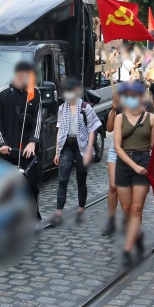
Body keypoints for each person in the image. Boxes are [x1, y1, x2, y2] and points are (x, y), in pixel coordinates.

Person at [105, 81, 154, 265]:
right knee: (126, 209)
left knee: (136, 208)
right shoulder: (120, 118)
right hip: (125, 164)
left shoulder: (151, 118)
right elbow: (117, 147)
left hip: (143, 162)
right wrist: (133, 166)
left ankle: (129, 246)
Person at [0, 62, 44, 222]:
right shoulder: (2, 94)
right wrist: (2, 144)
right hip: (9, 150)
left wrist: (33, 142)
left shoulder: (34, 93)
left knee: (32, 185)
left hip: (29, 151)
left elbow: (38, 121)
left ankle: (33, 215)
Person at [51, 77, 100, 227]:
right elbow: (59, 130)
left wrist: (89, 150)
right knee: (63, 179)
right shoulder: (62, 108)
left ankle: (80, 209)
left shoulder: (85, 107)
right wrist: (57, 152)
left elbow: (93, 129)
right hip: (67, 145)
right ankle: (58, 213)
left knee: (81, 179)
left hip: (82, 146)